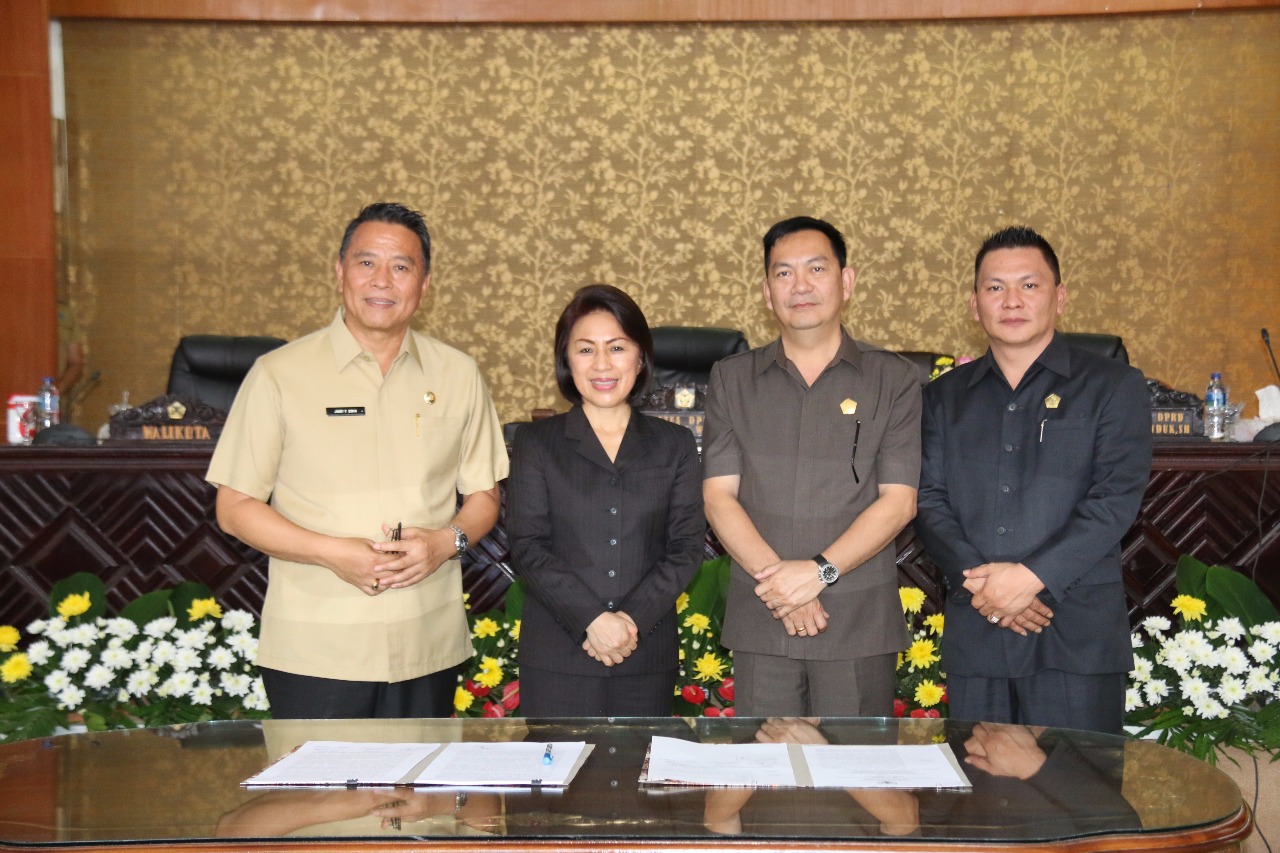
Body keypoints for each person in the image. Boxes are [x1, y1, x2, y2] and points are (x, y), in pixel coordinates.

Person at [206, 201, 508, 719]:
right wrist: (332, 553)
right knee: (320, 776)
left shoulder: (458, 374)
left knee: (424, 776)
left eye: (401, 266)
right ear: (339, 271)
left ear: (425, 284)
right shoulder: (278, 374)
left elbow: (484, 495)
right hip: (316, 648)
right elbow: (234, 508)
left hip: (427, 642)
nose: (382, 281)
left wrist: (444, 543)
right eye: (366, 262)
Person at [914, 225, 1152, 734]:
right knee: (979, 780)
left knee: (1078, 781)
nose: (1012, 300)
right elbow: (929, 501)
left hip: (1074, 628)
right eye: (995, 287)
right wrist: (987, 588)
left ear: (1059, 297)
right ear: (974, 304)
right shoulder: (941, 397)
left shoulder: (1114, 386)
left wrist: (1029, 579)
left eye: (1029, 285)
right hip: (978, 627)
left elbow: (1113, 500)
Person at [701, 216, 921, 717]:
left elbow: (899, 501)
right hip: (764, 615)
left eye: (816, 269)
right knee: (765, 763)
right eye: (784, 273)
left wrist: (819, 573)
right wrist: (784, 587)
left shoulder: (894, 379)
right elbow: (718, 496)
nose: (800, 285)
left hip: (857, 620)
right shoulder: (732, 379)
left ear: (847, 281)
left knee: (854, 762)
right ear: (767, 292)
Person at [506, 284, 705, 716]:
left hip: (645, 655)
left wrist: (629, 622)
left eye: (617, 347)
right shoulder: (536, 443)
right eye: (585, 349)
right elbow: (528, 546)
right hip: (558, 657)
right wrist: (592, 621)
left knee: (642, 761)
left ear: (640, 357)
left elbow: (686, 547)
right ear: (567, 360)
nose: (602, 364)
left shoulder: (674, 444)